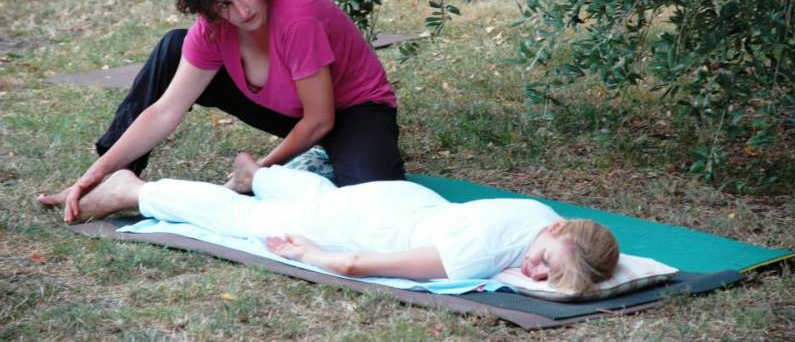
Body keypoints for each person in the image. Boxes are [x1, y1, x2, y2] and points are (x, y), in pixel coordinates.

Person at [38, 0, 405, 223]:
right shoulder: (212, 29)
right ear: (209, 8)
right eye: (224, 4)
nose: (242, 10)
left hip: (353, 112)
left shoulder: (298, 18)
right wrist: (94, 173)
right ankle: (116, 177)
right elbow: (164, 111)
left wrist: (258, 171)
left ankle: (313, 161)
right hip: (289, 110)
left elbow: (321, 119)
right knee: (175, 46)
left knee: (373, 209)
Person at [74, 153, 620, 292]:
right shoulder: (479, 252)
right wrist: (312, 255)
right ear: (556, 235)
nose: (535, 275)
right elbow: (360, 263)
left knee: (318, 199)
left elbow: (585, 254)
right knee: (247, 220)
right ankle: (136, 190)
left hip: (402, 202)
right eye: (545, 265)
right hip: (365, 227)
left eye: (547, 278)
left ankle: (258, 173)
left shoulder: (547, 218)